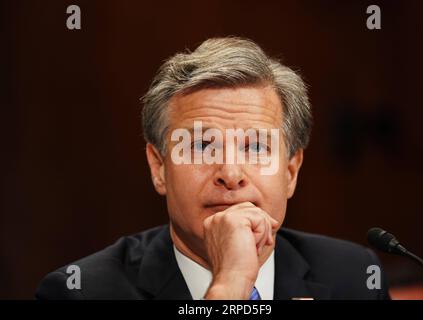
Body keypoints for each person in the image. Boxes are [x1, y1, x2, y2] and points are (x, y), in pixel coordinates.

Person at [36, 37, 389, 300]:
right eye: (202, 146)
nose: (231, 173)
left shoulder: (354, 277)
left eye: (256, 147)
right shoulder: (81, 292)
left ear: (291, 172)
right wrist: (232, 282)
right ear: (159, 167)